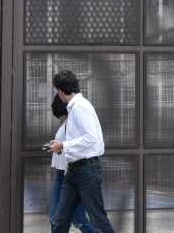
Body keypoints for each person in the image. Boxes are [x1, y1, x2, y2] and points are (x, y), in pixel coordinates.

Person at [48, 70, 116, 233]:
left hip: (87, 171)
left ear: (61, 90)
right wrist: (61, 144)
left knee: (98, 220)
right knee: (59, 220)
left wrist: (63, 146)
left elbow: (90, 137)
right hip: (74, 171)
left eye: (57, 90)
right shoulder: (76, 107)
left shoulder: (80, 107)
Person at [48, 97, 95, 233]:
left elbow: (81, 144)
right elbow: (66, 143)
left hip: (71, 174)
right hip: (62, 173)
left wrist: (61, 145)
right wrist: (56, 143)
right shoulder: (66, 123)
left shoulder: (74, 121)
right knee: (64, 218)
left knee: (76, 219)